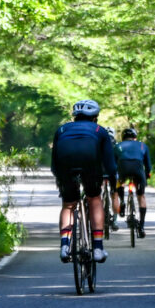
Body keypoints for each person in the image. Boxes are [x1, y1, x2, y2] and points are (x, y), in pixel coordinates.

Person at [50, 99, 117, 263]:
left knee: (68, 204)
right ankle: (98, 248)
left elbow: (54, 163)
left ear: (74, 116)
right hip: (90, 164)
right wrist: (114, 185)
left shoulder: (61, 129)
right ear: (95, 117)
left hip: (65, 166)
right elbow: (110, 164)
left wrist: (60, 178)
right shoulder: (100, 131)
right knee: (94, 199)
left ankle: (65, 246)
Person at [113, 128, 152, 237]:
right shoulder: (142, 146)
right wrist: (148, 175)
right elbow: (148, 166)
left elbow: (113, 164)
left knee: (119, 183)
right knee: (141, 197)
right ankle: (142, 226)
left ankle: (122, 202)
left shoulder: (118, 146)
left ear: (123, 138)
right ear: (135, 137)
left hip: (123, 170)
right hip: (138, 172)